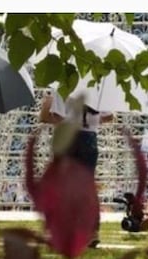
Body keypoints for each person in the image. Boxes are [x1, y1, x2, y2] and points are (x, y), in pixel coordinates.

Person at [40, 90, 114, 247]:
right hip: (89, 139)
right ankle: (92, 231)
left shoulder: (64, 86)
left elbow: (57, 117)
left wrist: (47, 107)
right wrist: (92, 120)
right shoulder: (98, 88)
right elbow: (110, 116)